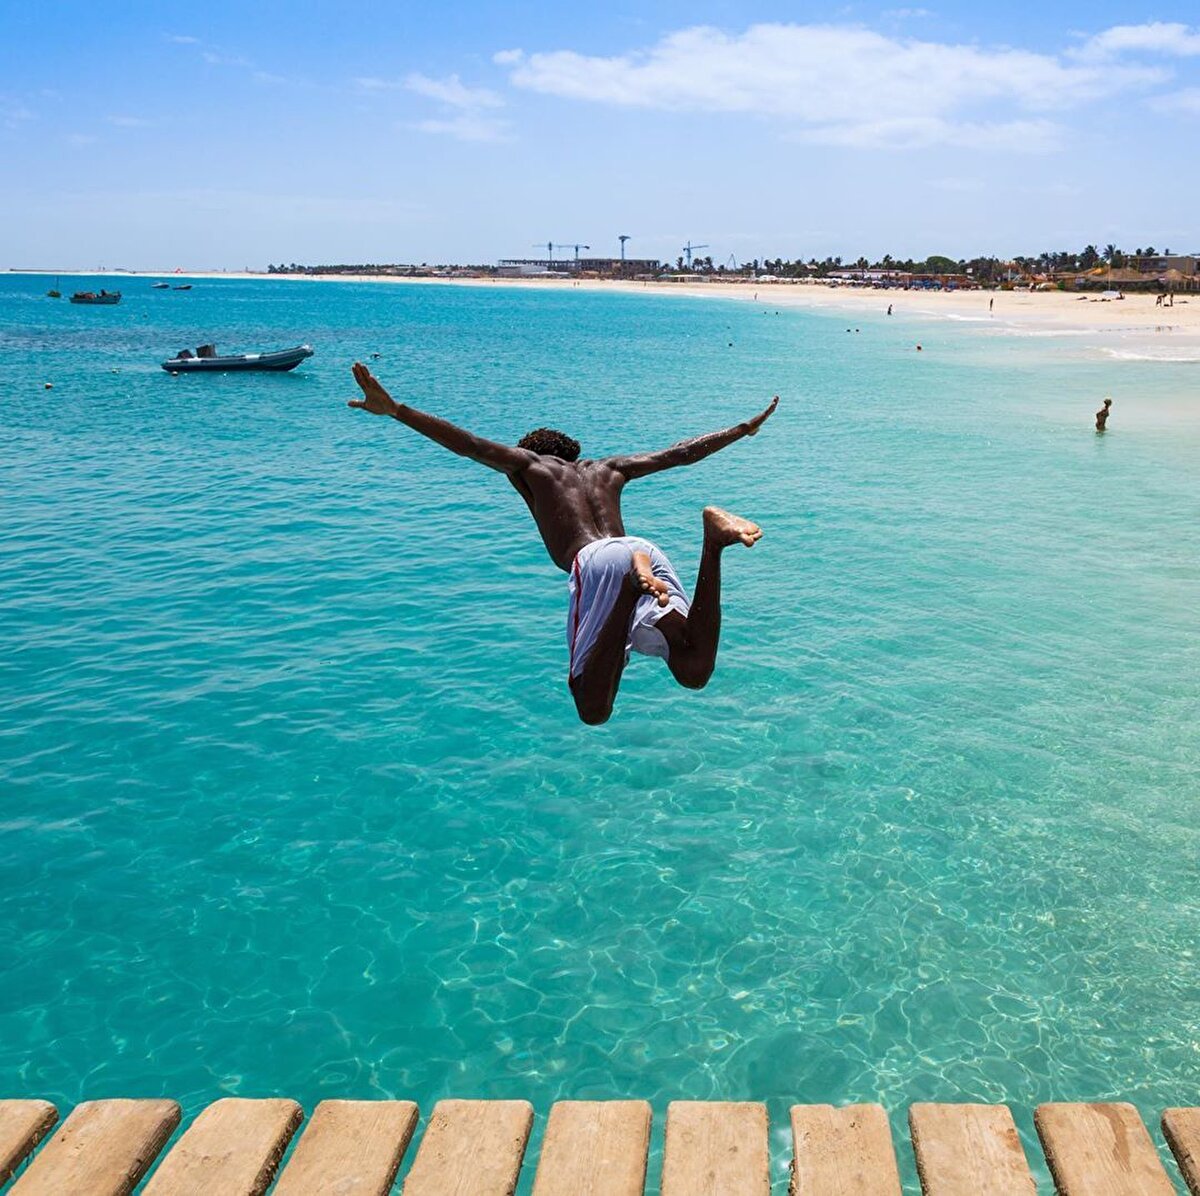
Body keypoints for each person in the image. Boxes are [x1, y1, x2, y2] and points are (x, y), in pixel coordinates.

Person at [348, 363, 777, 724]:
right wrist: (741, 429)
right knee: (692, 667)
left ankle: (630, 584)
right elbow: (678, 453)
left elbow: (470, 445)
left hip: (601, 564)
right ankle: (712, 542)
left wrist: (398, 410)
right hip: (640, 546)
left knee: (593, 708)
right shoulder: (609, 468)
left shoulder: (530, 465)